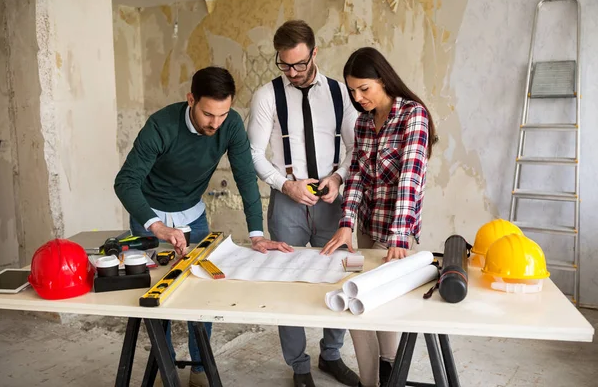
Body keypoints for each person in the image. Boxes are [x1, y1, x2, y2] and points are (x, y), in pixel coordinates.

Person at [114, 66, 292, 387]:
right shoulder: (160, 125)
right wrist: (157, 227)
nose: (215, 123)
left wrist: (256, 234)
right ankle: (165, 369)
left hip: (194, 216)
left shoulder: (231, 125)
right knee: (156, 299)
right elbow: (125, 182)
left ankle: (199, 368)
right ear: (190, 99)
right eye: (208, 114)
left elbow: (245, 179)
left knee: (203, 294)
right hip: (149, 216)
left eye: (223, 114)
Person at [247, 20, 360, 387]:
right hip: (287, 202)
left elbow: (356, 148)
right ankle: (299, 367)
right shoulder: (266, 96)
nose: (292, 72)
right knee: (288, 283)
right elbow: (253, 154)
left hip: (331, 200)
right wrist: (285, 185)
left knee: (337, 278)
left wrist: (338, 178)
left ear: (315, 52)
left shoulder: (341, 93)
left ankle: (331, 355)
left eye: (299, 63)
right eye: (284, 65)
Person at [320, 47, 438, 387]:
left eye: (364, 89)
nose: (358, 98)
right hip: (368, 228)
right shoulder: (362, 121)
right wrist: (346, 224)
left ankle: (391, 372)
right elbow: (355, 174)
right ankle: (370, 380)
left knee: (387, 310)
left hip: (398, 232)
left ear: (383, 80)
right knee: (358, 302)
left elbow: (409, 179)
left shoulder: (412, 115)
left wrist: (399, 239)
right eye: (352, 91)